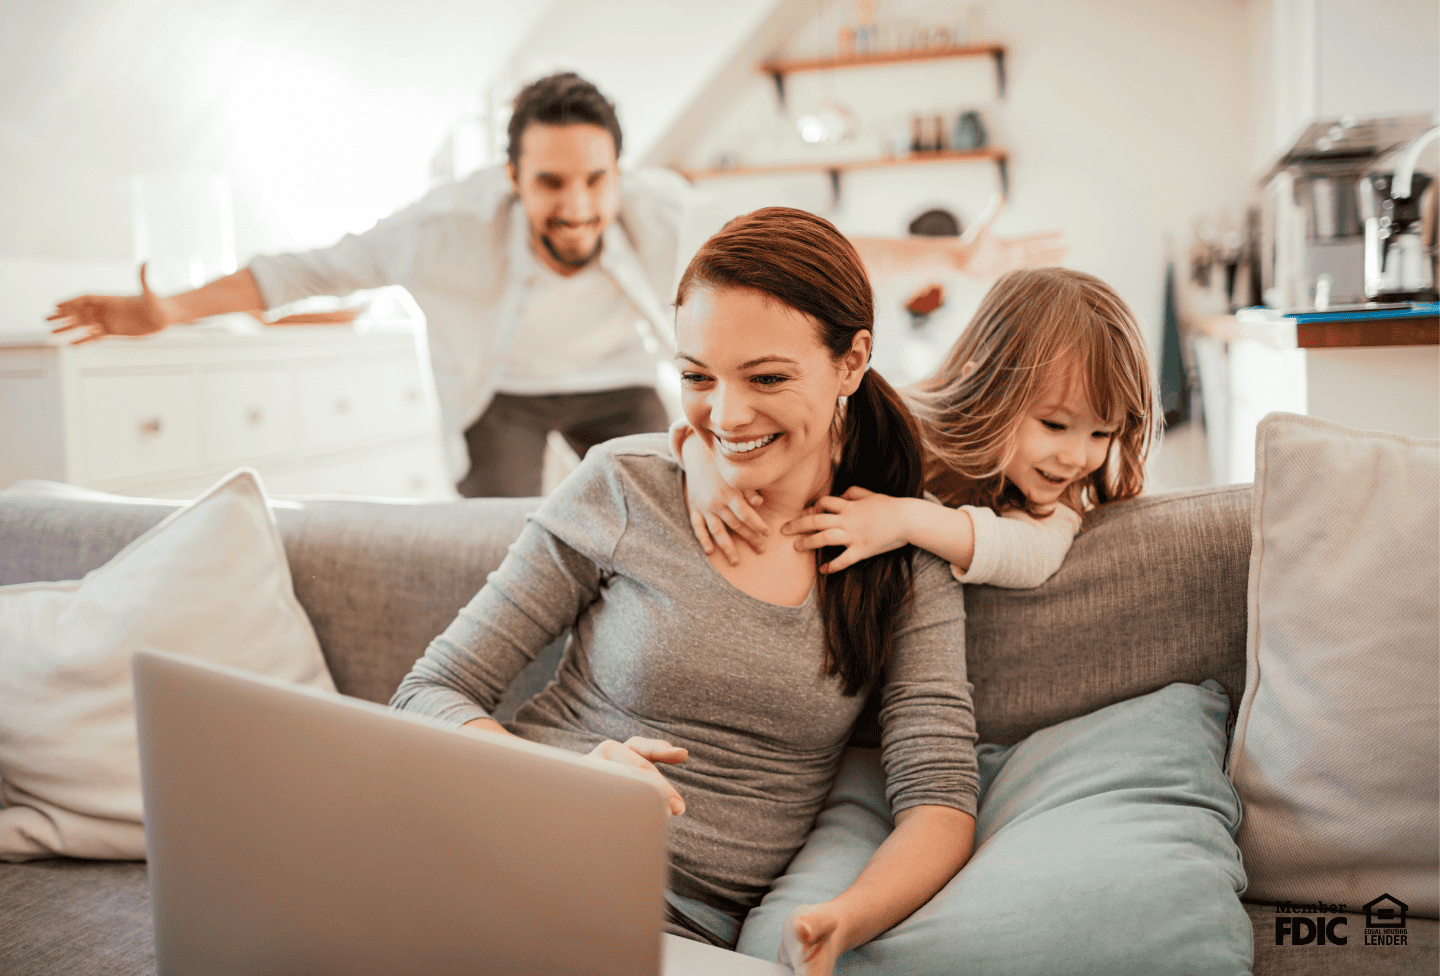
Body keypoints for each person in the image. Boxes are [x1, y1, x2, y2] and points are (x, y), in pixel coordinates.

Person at [389, 207, 978, 973]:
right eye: (697, 377)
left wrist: (843, 919)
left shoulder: (902, 550)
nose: (725, 417)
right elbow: (429, 692)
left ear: (852, 361)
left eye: (766, 377)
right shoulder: (628, 487)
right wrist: (562, 779)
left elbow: (938, 797)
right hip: (504, 848)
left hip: (672, 930)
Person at [48, 72, 1067, 498]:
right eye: (551, 183)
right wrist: (166, 309)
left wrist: (950, 259)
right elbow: (301, 269)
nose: (576, 206)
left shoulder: (665, 211)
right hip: (498, 390)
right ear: (513, 179)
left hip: (614, 376)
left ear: (618, 172)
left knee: (666, 493)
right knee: (493, 523)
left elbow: (816, 248)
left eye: (593, 179)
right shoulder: (442, 230)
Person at [674, 266, 1158, 595]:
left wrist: (905, 520)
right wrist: (704, 466)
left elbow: (1034, 554)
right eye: (1055, 425)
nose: (1077, 457)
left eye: (1102, 434)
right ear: (984, 385)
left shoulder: (1059, 496)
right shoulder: (897, 421)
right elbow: (725, 426)